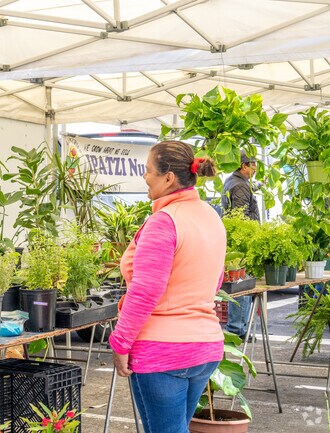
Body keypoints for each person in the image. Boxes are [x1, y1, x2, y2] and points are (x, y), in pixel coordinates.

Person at [109, 141, 226, 433]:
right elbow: (216, 279)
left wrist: (120, 341)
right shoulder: (211, 216)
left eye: (148, 171)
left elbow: (146, 290)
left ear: (168, 178)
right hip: (206, 347)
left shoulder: (164, 221)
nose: (145, 177)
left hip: (163, 352)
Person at [222, 150, 260, 340]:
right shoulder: (240, 186)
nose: (256, 168)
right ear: (243, 166)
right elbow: (240, 215)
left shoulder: (235, 181)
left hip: (237, 239)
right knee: (242, 285)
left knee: (240, 284)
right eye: (253, 164)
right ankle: (237, 329)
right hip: (242, 241)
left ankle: (238, 328)